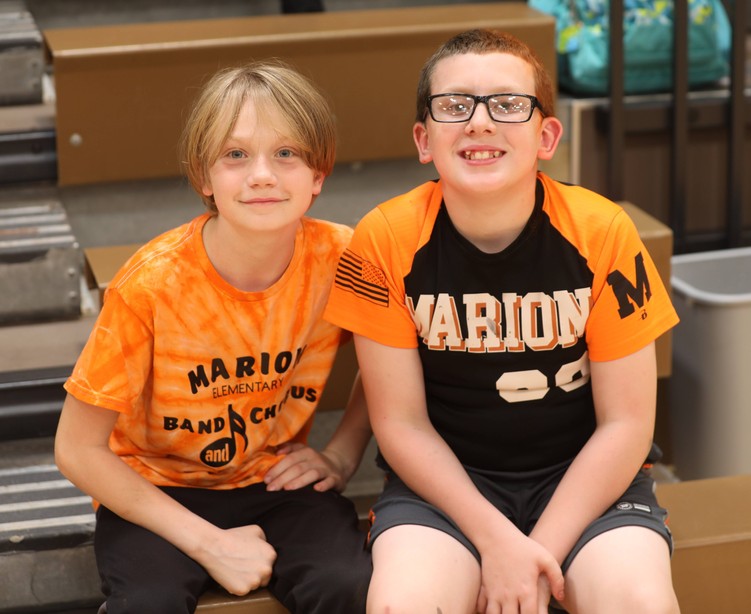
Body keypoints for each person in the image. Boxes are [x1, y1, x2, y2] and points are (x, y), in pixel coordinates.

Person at [324, 29, 681, 614]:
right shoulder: (384, 238)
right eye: (454, 105)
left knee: (639, 602)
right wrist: (494, 539)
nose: (480, 123)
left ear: (546, 136)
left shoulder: (601, 230)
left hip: (585, 480)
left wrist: (534, 551)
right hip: (445, 490)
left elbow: (626, 425)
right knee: (403, 604)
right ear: (424, 139)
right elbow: (403, 425)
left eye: (508, 104)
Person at [55, 60, 372, 614]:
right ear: (204, 176)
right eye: (235, 155)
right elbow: (76, 448)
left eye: (288, 153)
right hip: (154, 490)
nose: (262, 175)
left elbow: (393, 360)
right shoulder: (152, 284)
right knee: (147, 604)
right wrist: (211, 544)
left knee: (347, 583)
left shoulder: (341, 259)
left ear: (318, 175)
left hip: (272, 478)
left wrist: (343, 455)